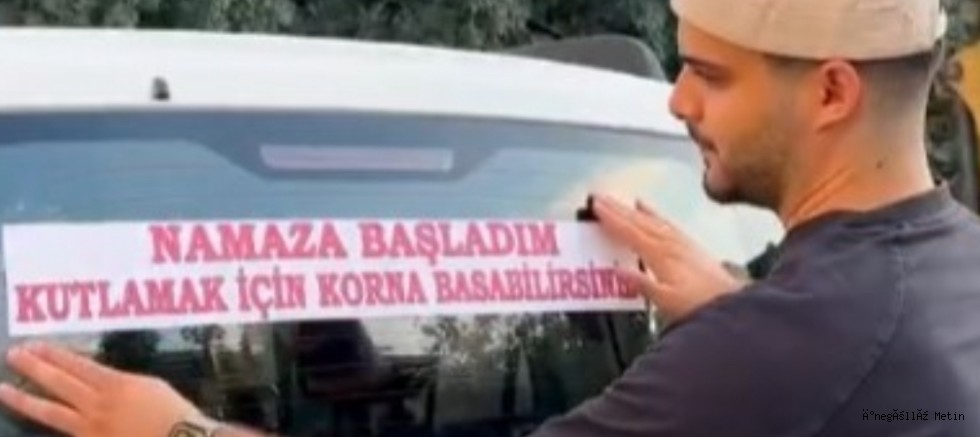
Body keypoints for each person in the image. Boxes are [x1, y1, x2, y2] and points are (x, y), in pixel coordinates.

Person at [3, 0, 980, 435]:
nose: (677, 101)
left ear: (831, 92)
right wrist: (738, 308)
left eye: (710, 75)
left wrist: (180, 431)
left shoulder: (788, 344)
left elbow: (810, 360)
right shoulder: (949, 269)